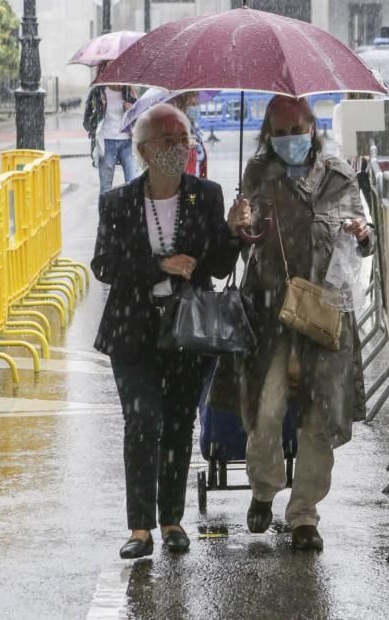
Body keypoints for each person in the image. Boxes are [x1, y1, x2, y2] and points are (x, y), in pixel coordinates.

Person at [91, 103, 250, 559]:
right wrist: (158, 264)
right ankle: (139, 527)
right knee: (142, 422)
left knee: (179, 423)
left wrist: (235, 233)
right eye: (167, 140)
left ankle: (172, 521)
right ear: (142, 150)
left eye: (183, 138)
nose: (178, 147)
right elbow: (104, 264)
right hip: (133, 331)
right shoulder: (118, 202)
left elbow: (218, 265)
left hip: (189, 329)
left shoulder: (207, 195)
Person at [236, 95, 375, 552]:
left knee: (319, 420)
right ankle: (264, 489)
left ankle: (304, 515)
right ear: (267, 134)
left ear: (312, 126)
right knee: (265, 409)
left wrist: (361, 233)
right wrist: (239, 224)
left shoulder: (337, 175)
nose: (291, 139)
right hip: (270, 311)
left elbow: (365, 235)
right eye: (280, 131)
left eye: (298, 128)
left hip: (323, 310)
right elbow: (244, 240)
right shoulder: (258, 173)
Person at [83, 63, 138, 194]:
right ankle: (105, 213)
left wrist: (132, 111)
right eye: (110, 67)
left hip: (127, 143)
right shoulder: (97, 93)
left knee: (133, 184)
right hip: (106, 142)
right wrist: (97, 117)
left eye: (117, 67)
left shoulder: (129, 92)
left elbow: (139, 120)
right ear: (104, 70)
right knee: (106, 188)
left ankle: (132, 213)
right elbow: (86, 123)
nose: (115, 70)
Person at [167, 92, 208, 178]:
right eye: (193, 98)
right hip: (186, 181)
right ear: (184, 100)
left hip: (194, 178)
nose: (196, 103)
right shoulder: (176, 124)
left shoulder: (192, 126)